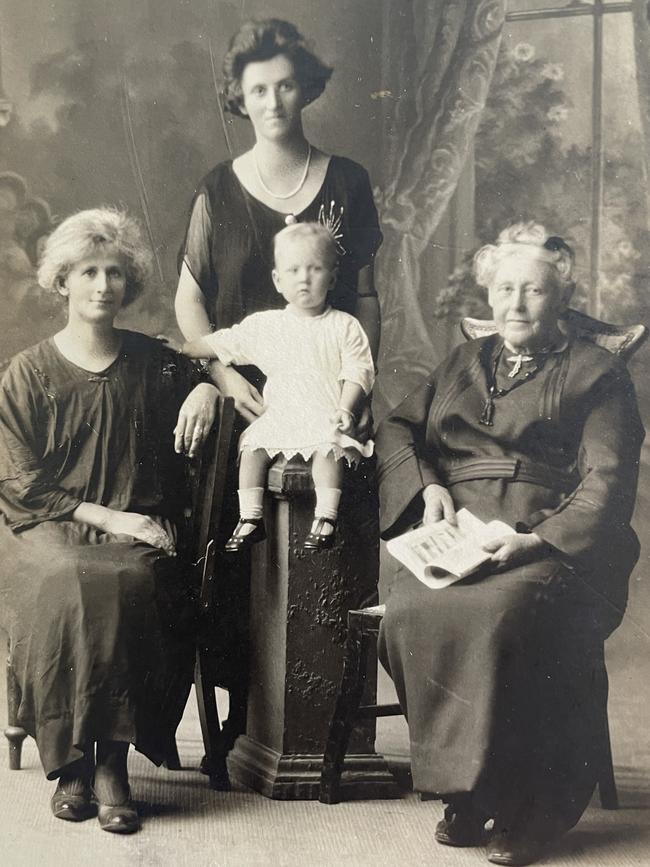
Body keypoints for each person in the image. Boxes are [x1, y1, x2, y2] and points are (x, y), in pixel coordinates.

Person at [375, 222, 644, 866]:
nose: (515, 304)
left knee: (504, 614)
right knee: (408, 610)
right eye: (503, 289)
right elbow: (397, 428)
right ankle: (469, 791)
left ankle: (533, 807)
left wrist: (534, 542)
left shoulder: (599, 374)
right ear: (487, 294)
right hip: (456, 529)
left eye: (533, 291)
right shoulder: (463, 363)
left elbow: (607, 481)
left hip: (552, 538)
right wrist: (429, 487)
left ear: (562, 298)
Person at [174, 17, 382, 739]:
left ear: (307, 88)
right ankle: (240, 716)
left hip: (327, 396)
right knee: (232, 554)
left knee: (329, 549)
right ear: (239, 95)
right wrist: (222, 374)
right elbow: (190, 299)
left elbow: (365, 299)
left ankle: (317, 715)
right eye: (257, 88)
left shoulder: (348, 181)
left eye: (285, 84)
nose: (272, 100)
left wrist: (359, 396)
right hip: (247, 402)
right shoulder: (217, 189)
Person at [0, 208, 219, 834]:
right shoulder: (27, 373)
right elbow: (20, 484)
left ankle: (111, 765)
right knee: (65, 577)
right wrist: (110, 518)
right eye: (88, 272)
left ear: (129, 284)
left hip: (138, 534)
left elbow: (213, 368)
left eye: (115, 273)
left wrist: (207, 385)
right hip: (44, 527)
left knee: (131, 583)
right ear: (62, 280)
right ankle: (71, 762)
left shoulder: (155, 362)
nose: (102, 285)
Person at [183, 222, 374, 552]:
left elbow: (358, 370)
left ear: (331, 276)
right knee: (253, 445)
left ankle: (326, 517)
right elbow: (228, 341)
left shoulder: (345, 326)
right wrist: (188, 347)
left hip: (324, 412)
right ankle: (250, 518)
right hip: (282, 414)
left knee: (328, 447)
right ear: (278, 280)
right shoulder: (269, 326)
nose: (304, 278)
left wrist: (345, 407)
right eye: (294, 270)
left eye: (315, 269)